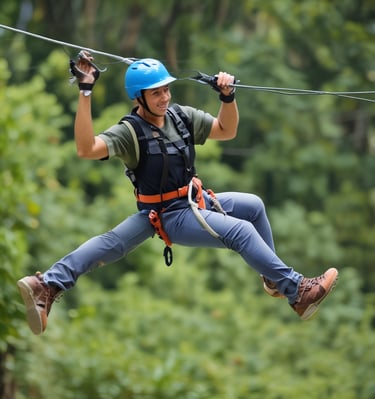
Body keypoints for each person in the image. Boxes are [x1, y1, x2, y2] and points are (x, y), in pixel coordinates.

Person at [17, 52, 338, 335]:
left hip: (193, 200)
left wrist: (228, 97)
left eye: (166, 89)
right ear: (138, 98)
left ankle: (274, 278)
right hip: (170, 215)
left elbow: (226, 130)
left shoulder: (180, 117)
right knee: (241, 231)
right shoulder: (129, 131)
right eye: (156, 93)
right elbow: (86, 149)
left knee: (252, 206)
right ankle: (296, 290)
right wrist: (85, 92)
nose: (164, 97)